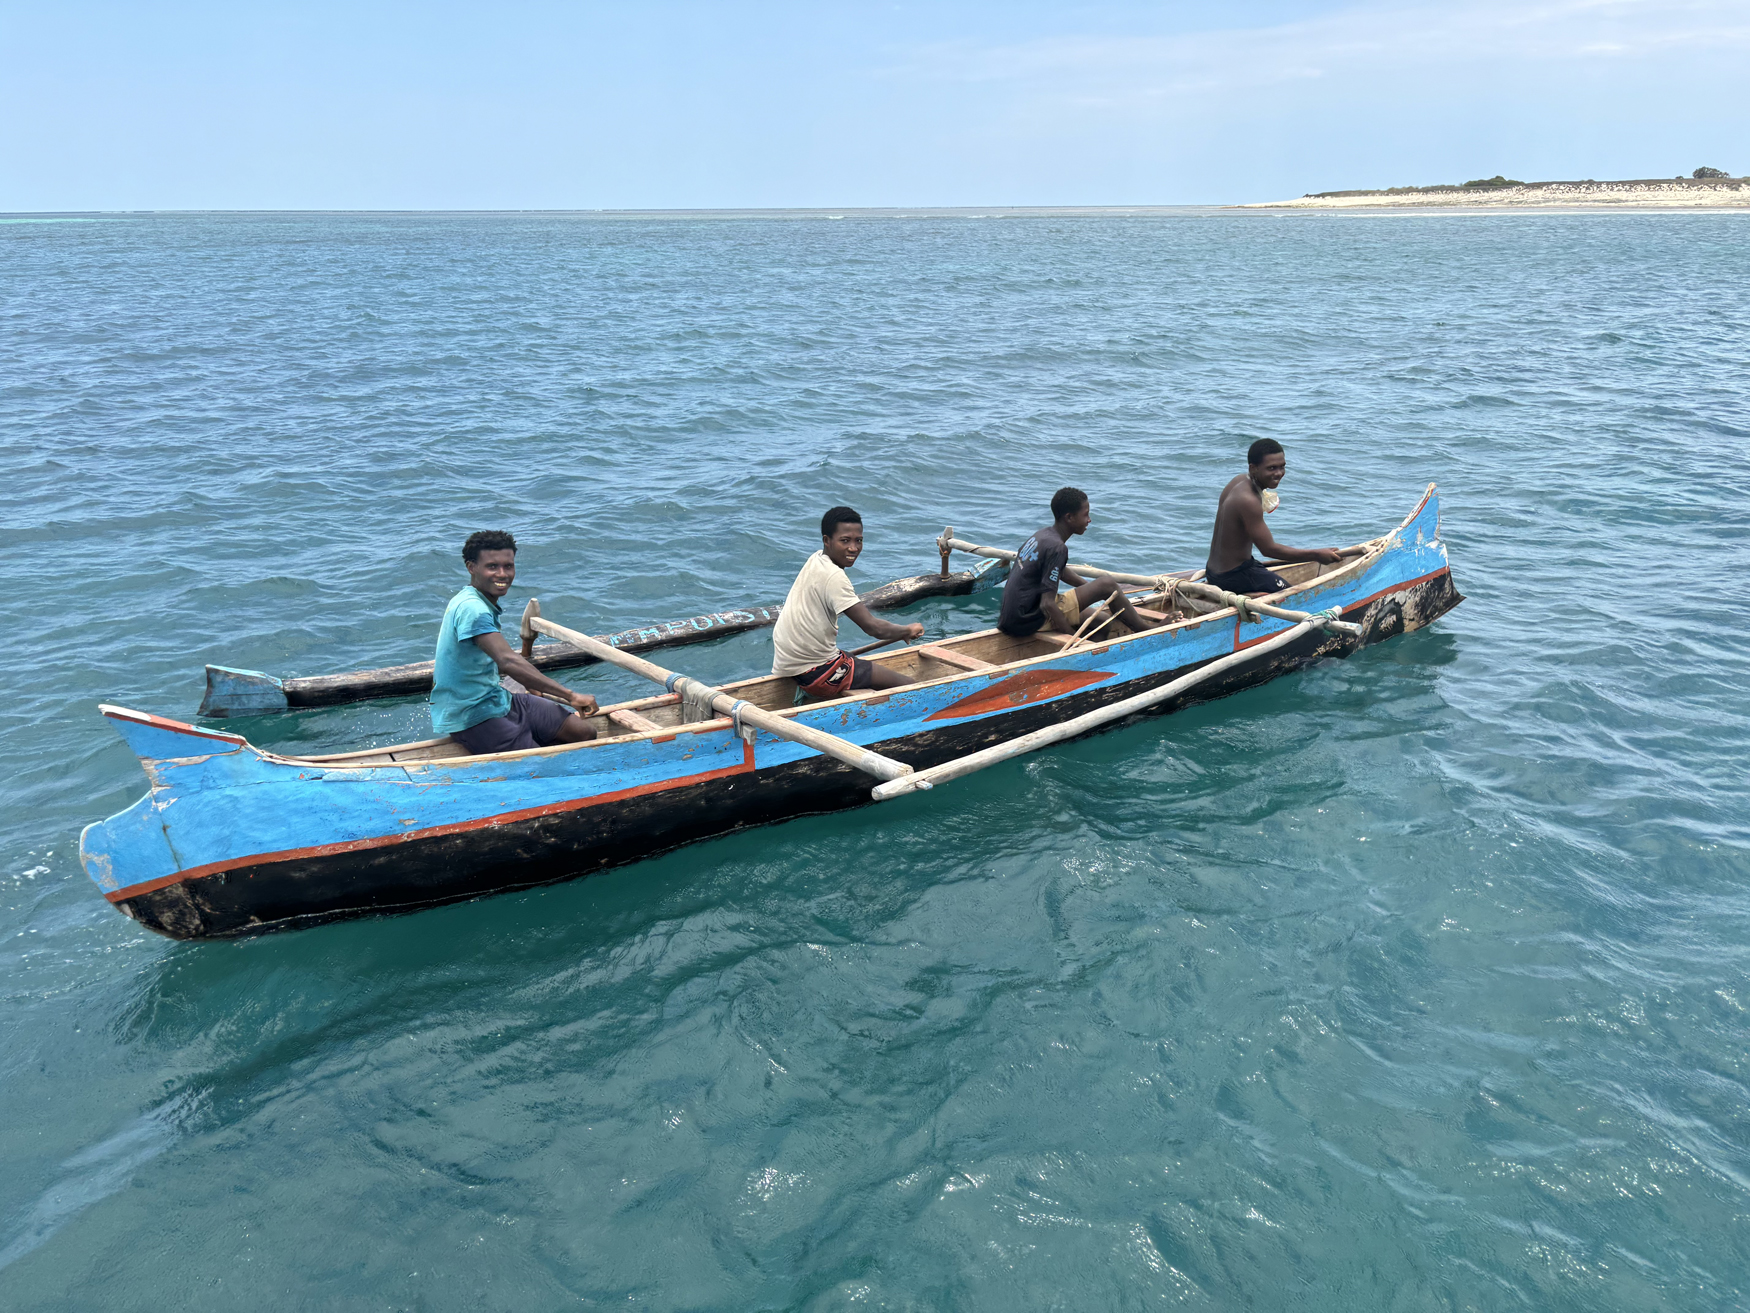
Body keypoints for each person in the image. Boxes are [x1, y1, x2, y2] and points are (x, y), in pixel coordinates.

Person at [431, 530, 599, 755]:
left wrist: (531, 683)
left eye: (508, 566)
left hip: (497, 699)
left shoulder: (477, 600)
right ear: (471, 567)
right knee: (536, 766)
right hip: (472, 715)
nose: (502, 574)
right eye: (492, 566)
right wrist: (571, 696)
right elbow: (507, 660)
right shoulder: (473, 609)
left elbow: (491, 659)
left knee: (583, 732)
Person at [772, 506, 925, 697]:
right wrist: (907, 630)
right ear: (827, 541)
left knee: (853, 660)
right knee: (911, 687)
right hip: (817, 673)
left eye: (858, 540)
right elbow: (873, 628)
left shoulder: (817, 559)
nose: (853, 548)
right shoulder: (834, 577)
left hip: (789, 664)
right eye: (845, 541)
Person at [997, 487, 1159, 639]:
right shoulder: (1057, 547)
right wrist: (1071, 639)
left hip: (1011, 618)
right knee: (1108, 584)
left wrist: (1091, 589)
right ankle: (1146, 630)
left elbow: (1059, 570)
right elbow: (1047, 604)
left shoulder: (1042, 535)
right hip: (1029, 619)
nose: (1089, 520)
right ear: (1069, 517)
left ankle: (1093, 655)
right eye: (1085, 515)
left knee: (1101, 621)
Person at [1204, 439, 1342, 596]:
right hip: (1233, 575)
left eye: (1282, 467)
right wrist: (1316, 555)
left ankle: (1252, 593)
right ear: (1253, 468)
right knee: (1292, 595)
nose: (1278, 473)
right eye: (1271, 468)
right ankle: (1248, 595)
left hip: (1214, 572)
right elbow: (1268, 549)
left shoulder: (1239, 481)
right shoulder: (1248, 500)